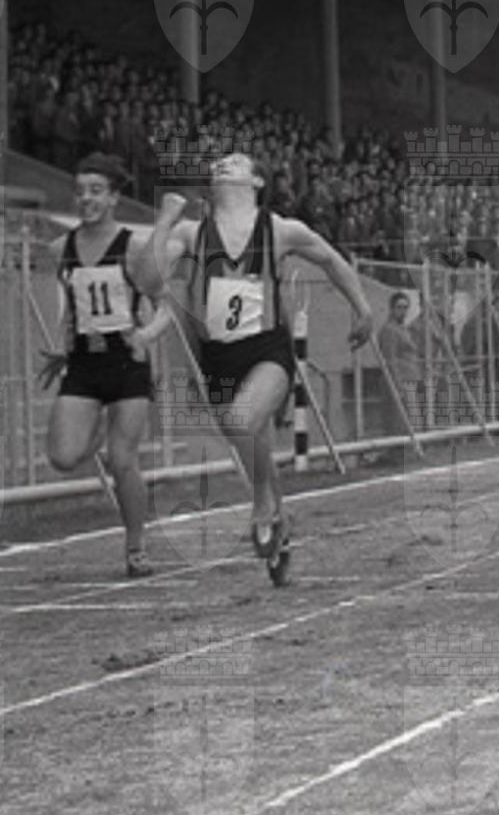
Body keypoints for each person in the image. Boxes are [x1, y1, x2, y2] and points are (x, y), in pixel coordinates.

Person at [143, 151, 375, 584]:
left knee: (242, 422)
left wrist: (363, 308)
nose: (221, 165)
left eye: (234, 162)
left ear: (256, 182)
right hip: (216, 358)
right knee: (250, 441)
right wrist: (165, 221)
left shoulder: (280, 229)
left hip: (267, 350)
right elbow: (150, 281)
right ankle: (280, 521)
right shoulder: (193, 233)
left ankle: (263, 503)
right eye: (217, 162)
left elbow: (331, 260)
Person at [40, 155, 177, 577]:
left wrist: (145, 336)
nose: (86, 199)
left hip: (127, 361)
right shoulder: (59, 249)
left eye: (96, 191)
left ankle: (136, 548)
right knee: (63, 457)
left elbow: (167, 307)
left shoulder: (133, 248)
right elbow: (74, 308)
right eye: (80, 191)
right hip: (84, 362)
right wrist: (63, 349)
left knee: (122, 459)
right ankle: (97, 427)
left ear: (114, 197)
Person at [375, 288, 423, 444]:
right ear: (391, 308)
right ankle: (397, 452)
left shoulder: (403, 329)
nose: (403, 311)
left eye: (405, 307)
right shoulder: (389, 330)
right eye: (399, 307)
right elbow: (390, 360)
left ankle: (410, 450)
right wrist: (397, 386)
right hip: (400, 382)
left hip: (410, 379)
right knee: (399, 423)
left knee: (412, 422)